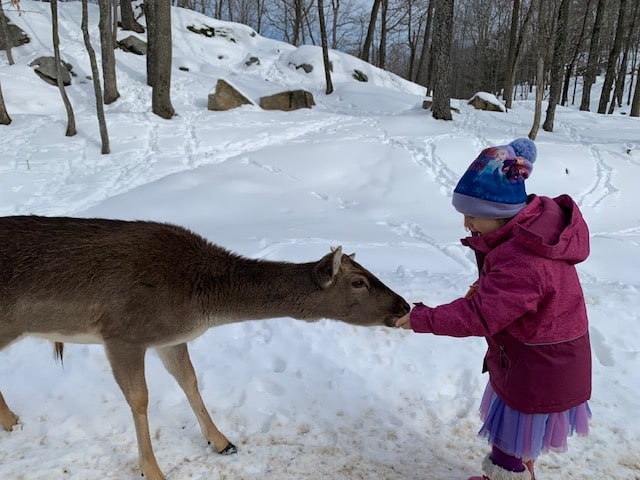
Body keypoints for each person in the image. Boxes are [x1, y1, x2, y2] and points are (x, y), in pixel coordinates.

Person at [396, 138, 592, 480]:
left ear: (499, 212)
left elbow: (480, 316)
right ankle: (515, 467)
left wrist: (421, 318)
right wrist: (489, 287)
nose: (466, 224)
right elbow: (513, 296)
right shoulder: (526, 232)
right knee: (513, 434)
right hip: (533, 356)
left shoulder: (524, 258)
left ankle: (510, 474)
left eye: (473, 215)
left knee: (510, 437)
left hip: (538, 366)